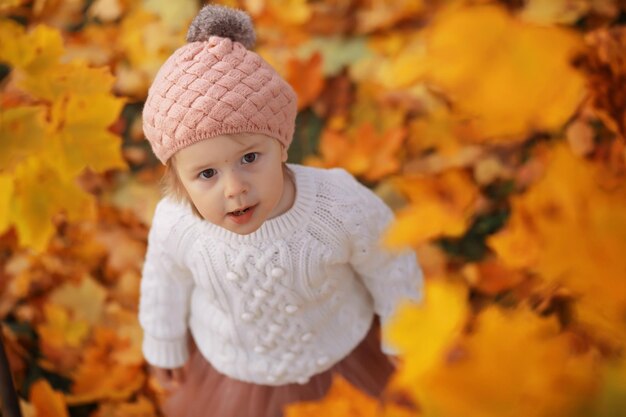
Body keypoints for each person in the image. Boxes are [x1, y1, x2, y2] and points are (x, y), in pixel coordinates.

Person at [139, 4, 423, 417]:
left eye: (250, 158)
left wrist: (406, 334)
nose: (234, 188)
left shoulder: (338, 205)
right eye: (206, 174)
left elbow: (390, 261)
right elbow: (164, 282)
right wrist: (164, 341)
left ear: (282, 145)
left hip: (340, 354)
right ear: (178, 179)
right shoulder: (177, 223)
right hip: (234, 369)